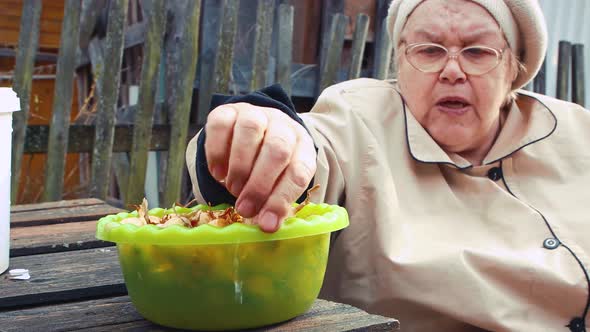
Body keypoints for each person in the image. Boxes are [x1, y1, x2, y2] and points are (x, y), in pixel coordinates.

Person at [185, 0, 590, 330]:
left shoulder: (575, 127)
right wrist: (262, 133)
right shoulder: (360, 117)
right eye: (429, 50)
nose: (452, 70)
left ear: (514, 68)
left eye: (477, 51)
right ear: (401, 63)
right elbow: (313, 151)